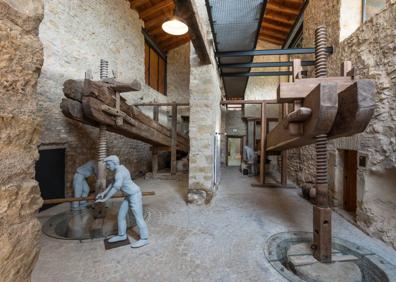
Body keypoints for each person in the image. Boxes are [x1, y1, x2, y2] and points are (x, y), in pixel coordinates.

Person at [95, 155, 149, 248]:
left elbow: (116, 187)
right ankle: (122, 235)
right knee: (121, 215)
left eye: (108, 164)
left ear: (113, 162)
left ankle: (144, 239)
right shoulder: (120, 169)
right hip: (129, 196)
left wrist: (105, 198)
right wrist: (103, 193)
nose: (107, 167)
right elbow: (113, 183)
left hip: (134, 195)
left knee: (138, 217)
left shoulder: (119, 173)